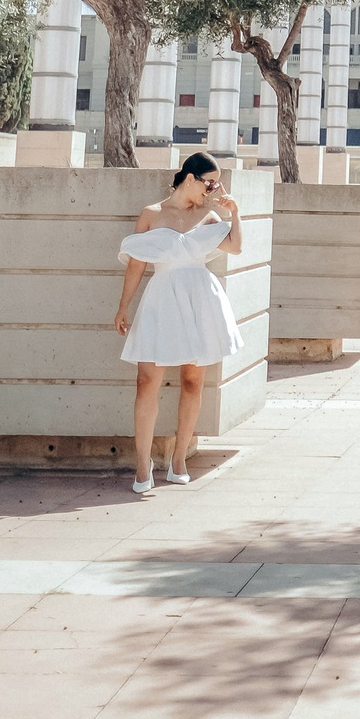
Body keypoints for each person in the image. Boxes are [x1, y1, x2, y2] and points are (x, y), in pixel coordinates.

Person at [112, 153, 244, 494]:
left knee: (192, 381)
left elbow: (236, 247)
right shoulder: (152, 215)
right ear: (189, 178)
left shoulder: (209, 214)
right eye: (209, 182)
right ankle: (143, 466)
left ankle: (179, 461)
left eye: (217, 184)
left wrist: (235, 213)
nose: (214, 190)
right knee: (146, 380)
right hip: (161, 298)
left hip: (200, 298)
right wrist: (123, 306)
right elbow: (137, 265)